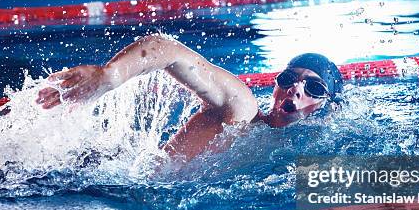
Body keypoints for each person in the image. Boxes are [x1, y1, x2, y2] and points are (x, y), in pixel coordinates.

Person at [36, 34, 343, 161]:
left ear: (329, 107)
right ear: (276, 87)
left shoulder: (308, 154)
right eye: (288, 79)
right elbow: (169, 51)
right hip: (106, 175)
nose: (295, 89)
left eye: (314, 88)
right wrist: (109, 76)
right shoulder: (242, 109)